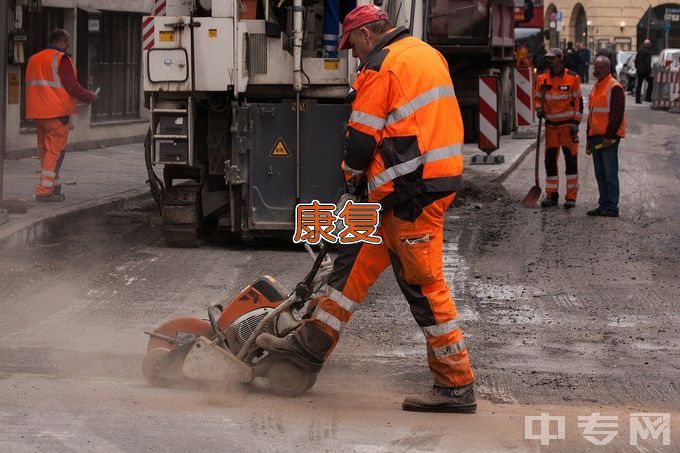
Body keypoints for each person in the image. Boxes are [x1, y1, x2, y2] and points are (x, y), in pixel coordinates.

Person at [257, 4, 476, 413]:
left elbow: (360, 141)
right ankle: (307, 349)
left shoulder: (380, 65)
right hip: (406, 190)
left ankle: (456, 385)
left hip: (410, 194)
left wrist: (351, 177)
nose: (353, 53)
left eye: (353, 44)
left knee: (424, 288)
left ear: (368, 35)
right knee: (348, 268)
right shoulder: (427, 54)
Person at [25, 29, 97, 202]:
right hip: (57, 113)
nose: (68, 46)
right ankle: (44, 191)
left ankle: (53, 184)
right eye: (67, 42)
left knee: (45, 151)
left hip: (38, 112)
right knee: (54, 152)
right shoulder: (61, 59)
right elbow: (72, 86)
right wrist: (90, 96)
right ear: (62, 41)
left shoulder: (34, 58)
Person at [534, 48, 583, 209]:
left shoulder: (572, 77)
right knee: (550, 162)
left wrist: (576, 122)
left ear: (560, 59)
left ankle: (571, 198)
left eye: (552, 58)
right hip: (551, 128)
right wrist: (538, 109)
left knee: (570, 162)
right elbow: (538, 98)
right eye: (547, 58)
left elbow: (578, 102)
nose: (549, 61)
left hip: (568, 127)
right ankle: (552, 195)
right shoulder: (542, 79)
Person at [586, 56, 625, 217]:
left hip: (608, 137)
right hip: (596, 136)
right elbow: (592, 114)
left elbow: (616, 114)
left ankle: (612, 207)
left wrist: (609, 136)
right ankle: (603, 204)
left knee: (609, 173)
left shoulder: (614, 86)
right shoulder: (597, 86)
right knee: (600, 173)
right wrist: (589, 137)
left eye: (600, 67)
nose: (596, 69)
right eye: (595, 66)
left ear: (608, 68)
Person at [635, 39, 654, 104]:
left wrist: (637, 67)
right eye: (650, 44)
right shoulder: (648, 52)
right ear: (648, 45)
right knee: (651, 83)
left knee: (639, 85)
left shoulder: (639, 51)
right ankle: (648, 97)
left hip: (639, 71)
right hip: (646, 71)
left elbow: (636, 60)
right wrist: (650, 71)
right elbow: (647, 62)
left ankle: (637, 99)